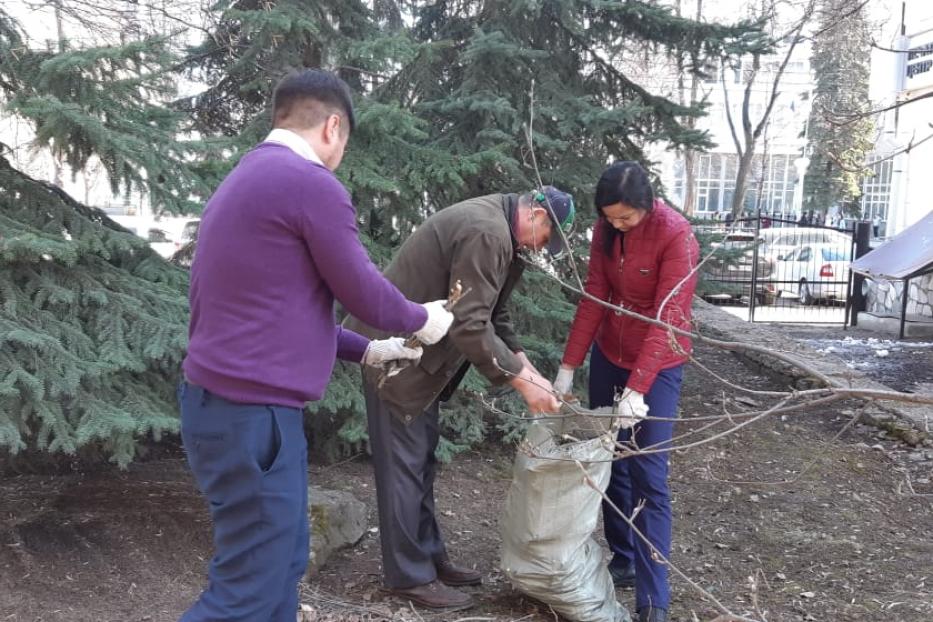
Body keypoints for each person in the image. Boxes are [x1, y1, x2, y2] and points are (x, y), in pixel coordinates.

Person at [178, 69, 456, 622]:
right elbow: (366, 293)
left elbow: (277, 314)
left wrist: (369, 351)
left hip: (230, 410)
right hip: (252, 417)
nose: (341, 157)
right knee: (249, 591)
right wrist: (423, 319)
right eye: (345, 142)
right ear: (332, 125)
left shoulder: (249, 179)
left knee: (279, 570)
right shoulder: (308, 183)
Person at [344, 187, 575, 611]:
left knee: (421, 461)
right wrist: (522, 383)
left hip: (415, 353)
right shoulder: (487, 232)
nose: (542, 247)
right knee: (404, 467)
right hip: (393, 352)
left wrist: (528, 367)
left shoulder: (503, 232)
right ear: (537, 213)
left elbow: (492, 312)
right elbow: (470, 325)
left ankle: (429, 558)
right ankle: (408, 577)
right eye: (546, 237)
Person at [551, 162, 699, 622]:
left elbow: (669, 315)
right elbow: (595, 293)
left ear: (647, 205)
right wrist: (569, 366)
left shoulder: (677, 236)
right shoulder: (605, 230)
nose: (617, 225)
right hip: (609, 354)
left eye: (626, 219)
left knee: (648, 474)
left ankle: (654, 597)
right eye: (610, 218)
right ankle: (624, 558)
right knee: (609, 457)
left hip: (659, 362)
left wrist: (638, 389)